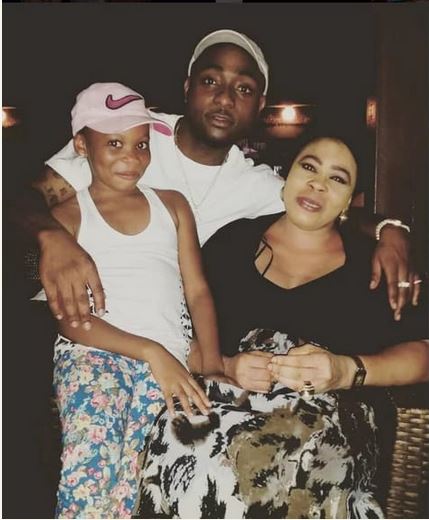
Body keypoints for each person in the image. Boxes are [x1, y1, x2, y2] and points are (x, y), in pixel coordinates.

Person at [12, 29, 420, 349]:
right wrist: (52, 238)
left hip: (170, 338)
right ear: (188, 87)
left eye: (243, 88)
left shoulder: (258, 185)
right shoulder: (132, 136)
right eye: (211, 81)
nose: (225, 98)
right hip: (72, 325)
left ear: (260, 104)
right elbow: (19, 199)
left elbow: (324, 204)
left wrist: (390, 230)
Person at [133, 131, 428, 519]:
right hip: (222, 405)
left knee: (261, 468)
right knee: (180, 443)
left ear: (349, 200)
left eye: (337, 178)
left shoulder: (375, 263)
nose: (318, 184)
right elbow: (176, 333)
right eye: (309, 167)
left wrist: (345, 370)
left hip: (328, 419)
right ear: (286, 175)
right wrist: (227, 364)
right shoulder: (231, 242)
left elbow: (422, 354)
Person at [44, 82, 223, 519]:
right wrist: (150, 351)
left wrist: (214, 364)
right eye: (115, 143)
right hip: (94, 354)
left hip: (171, 361)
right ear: (81, 146)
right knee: (90, 469)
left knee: (138, 480)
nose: (132, 156)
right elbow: (70, 318)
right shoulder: (67, 216)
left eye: (141, 144)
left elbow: (198, 290)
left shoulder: (173, 206)